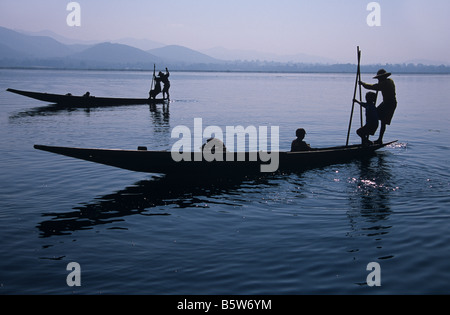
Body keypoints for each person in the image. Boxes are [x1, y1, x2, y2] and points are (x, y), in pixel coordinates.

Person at [360, 69, 397, 144]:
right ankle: (369, 132)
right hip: (385, 103)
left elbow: (373, 87)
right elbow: (377, 86)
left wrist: (363, 84)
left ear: (383, 77)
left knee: (383, 122)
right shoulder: (386, 82)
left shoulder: (387, 83)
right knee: (374, 114)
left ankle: (380, 139)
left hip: (390, 104)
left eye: (379, 78)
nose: (379, 80)